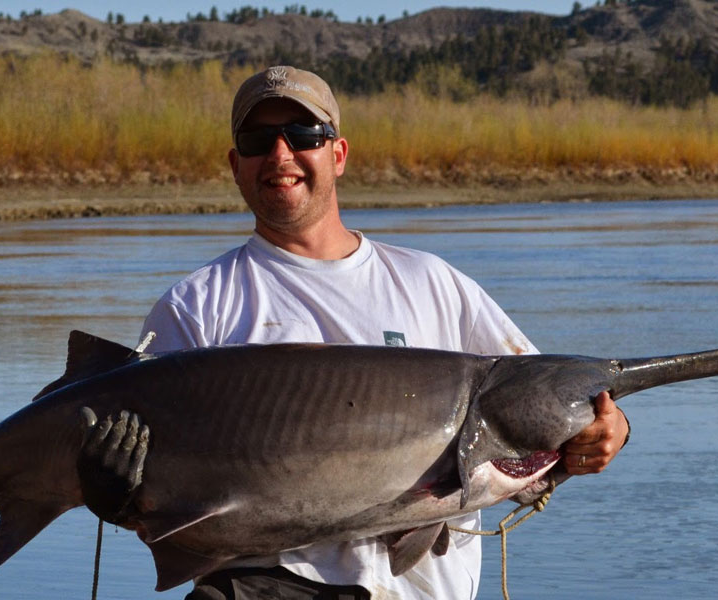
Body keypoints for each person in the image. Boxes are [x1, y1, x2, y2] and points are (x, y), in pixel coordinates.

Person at [136, 66, 630, 600]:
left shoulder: (433, 283)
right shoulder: (195, 307)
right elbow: (154, 505)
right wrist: (119, 491)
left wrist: (612, 428)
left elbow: (543, 404)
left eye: (304, 136)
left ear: (339, 154)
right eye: (258, 141)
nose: (281, 155)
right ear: (236, 165)